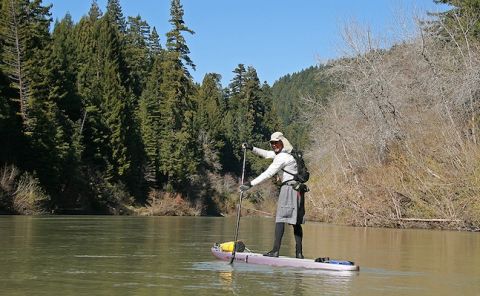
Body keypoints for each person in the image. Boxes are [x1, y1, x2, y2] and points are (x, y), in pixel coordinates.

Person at [239, 132, 306, 258]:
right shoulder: (288, 153)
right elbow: (266, 154)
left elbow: (268, 173)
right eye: (272, 143)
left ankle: (275, 251)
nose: (273, 145)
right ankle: (299, 254)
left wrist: (250, 184)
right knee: (296, 222)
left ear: (282, 142)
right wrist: (252, 148)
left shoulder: (282, 157)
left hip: (289, 189)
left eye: (276, 142)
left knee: (280, 219)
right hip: (298, 189)